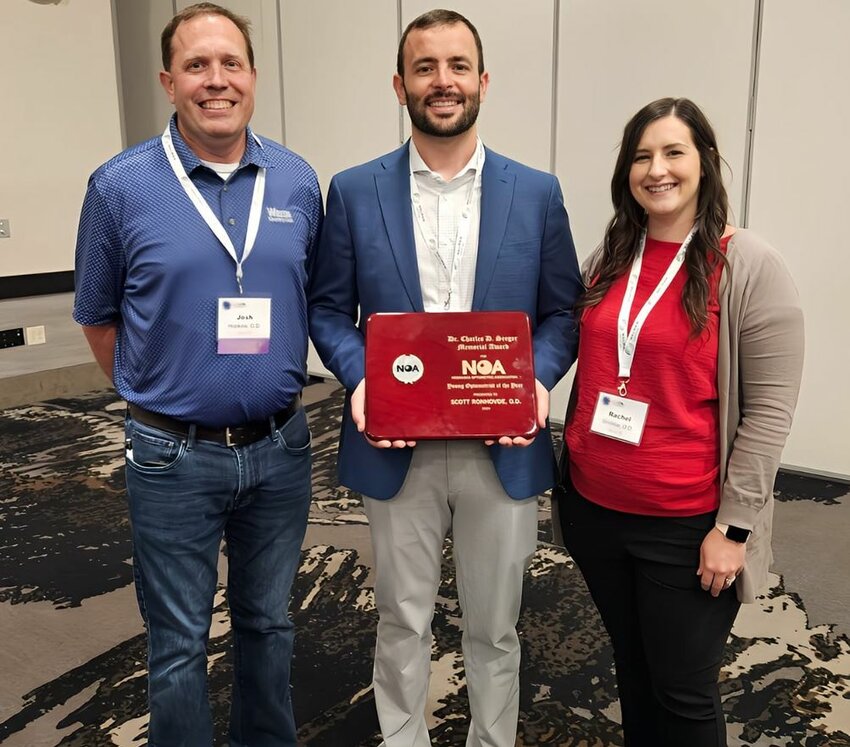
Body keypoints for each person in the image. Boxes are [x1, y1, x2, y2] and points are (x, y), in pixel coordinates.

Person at [308, 9, 582, 746]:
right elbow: (330, 309)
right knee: (402, 614)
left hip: (502, 439)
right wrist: (363, 377)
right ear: (400, 85)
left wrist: (538, 380)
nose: (443, 81)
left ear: (483, 80)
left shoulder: (536, 192)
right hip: (396, 445)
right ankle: (402, 737)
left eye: (458, 66)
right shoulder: (357, 190)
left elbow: (564, 312)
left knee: (496, 624)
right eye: (426, 67)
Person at [73, 4, 322, 745]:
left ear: (252, 75)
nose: (217, 80)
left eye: (231, 63)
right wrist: (158, 396)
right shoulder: (120, 187)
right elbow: (97, 314)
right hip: (170, 455)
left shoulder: (298, 181)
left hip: (281, 450)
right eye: (196, 65)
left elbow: (314, 294)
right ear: (168, 80)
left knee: (269, 623)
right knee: (178, 641)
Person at [555, 97, 804, 746]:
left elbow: (771, 411)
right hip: (595, 510)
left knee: (683, 690)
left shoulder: (747, 263)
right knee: (634, 671)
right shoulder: (612, 255)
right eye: (642, 155)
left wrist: (735, 526)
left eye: (673, 152)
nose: (656, 169)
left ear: (706, 163)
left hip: (688, 525)